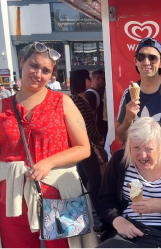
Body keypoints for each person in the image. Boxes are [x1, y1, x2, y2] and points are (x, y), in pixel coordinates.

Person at [0, 41, 97, 248]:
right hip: (12, 197)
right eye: (34, 65)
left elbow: (84, 148)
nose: (38, 73)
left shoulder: (62, 102)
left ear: (52, 75)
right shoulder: (1, 107)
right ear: (22, 62)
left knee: (63, 246)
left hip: (57, 194)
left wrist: (48, 162)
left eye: (46, 70)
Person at [97, 117, 161, 248]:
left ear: (160, 146)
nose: (142, 155)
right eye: (136, 148)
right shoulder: (119, 161)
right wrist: (117, 220)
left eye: (148, 149)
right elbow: (105, 201)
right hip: (126, 232)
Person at [116, 37, 161, 159]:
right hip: (136, 166)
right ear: (136, 61)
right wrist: (128, 118)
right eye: (141, 57)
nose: (146, 62)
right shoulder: (128, 93)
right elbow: (120, 137)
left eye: (152, 58)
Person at [70, 69, 105, 213]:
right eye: (88, 78)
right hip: (85, 145)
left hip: (83, 144)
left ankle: (91, 208)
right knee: (94, 178)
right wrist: (99, 138)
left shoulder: (78, 98)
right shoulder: (76, 100)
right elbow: (85, 124)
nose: (90, 81)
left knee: (86, 176)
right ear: (82, 80)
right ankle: (97, 210)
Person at [85, 69, 107, 140]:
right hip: (98, 134)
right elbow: (92, 116)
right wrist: (97, 136)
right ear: (98, 79)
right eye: (104, 79)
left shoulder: (98, 93)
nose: (106, 81)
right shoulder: (91, 94)